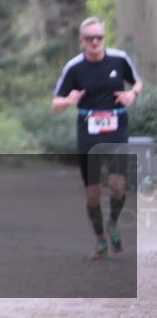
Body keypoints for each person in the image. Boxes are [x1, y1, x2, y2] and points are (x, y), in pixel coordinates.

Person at [52, 17, 143, 260]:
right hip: (88, 135)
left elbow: (137, 82)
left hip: (116, 131)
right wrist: (68, 101)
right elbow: (55, 104)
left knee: (117, 185)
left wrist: (132, 94)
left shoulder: (119, 59)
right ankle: (100, 239)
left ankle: (113, 224)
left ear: (104, 38)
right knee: (92, 193)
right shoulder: (74, 67)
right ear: (81, 41)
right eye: (90, 38)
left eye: (99, 37)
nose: (95, 42)